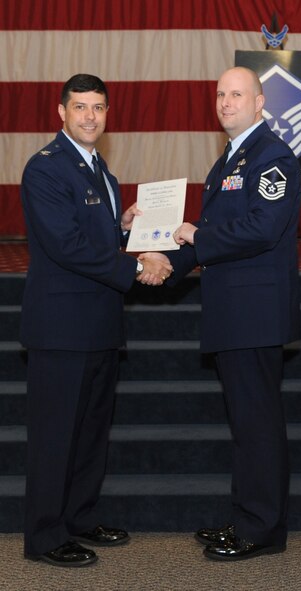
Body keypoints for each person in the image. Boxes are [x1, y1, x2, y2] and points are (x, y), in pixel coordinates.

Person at [149, 66, 301, 561]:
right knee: (245, 424)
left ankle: (262, 528)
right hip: (233, 312)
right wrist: (164, 265)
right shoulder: (228, 162)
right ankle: (246, 518)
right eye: (220, 94)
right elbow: (202, 236)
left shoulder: (273, 156)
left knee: (257, 423)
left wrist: (198, 238)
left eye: (237, 94)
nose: (225, 102)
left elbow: (262, 227)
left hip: (254, 313)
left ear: (260, 102)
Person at [20, 73, 171, 567]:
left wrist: (122, 227)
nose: (90, 116)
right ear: (60, 112)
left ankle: (78, 518)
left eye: (98, 108)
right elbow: (66, 246)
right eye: (80, 107)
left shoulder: (101, 171)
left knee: (89, 434)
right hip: (61, 329)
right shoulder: (45, 169)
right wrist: (135, 264)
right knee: (55, 436)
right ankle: (45, 536)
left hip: (101, 324)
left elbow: (93, 236)